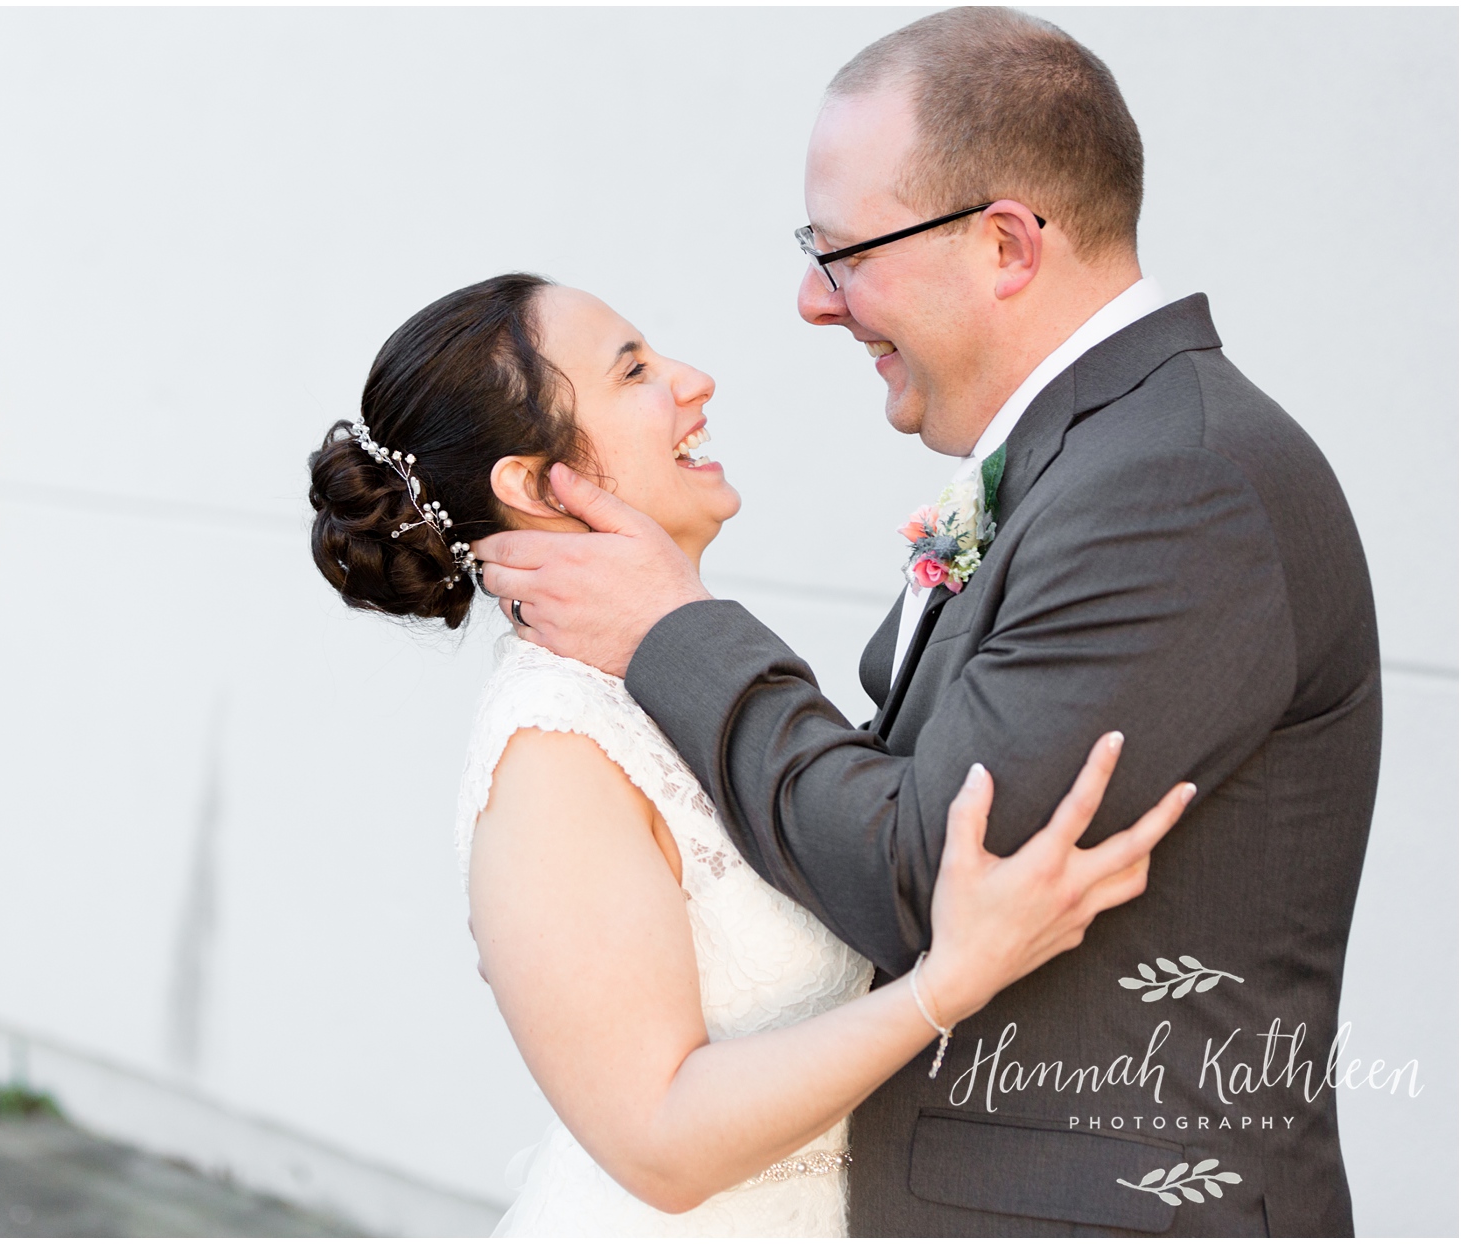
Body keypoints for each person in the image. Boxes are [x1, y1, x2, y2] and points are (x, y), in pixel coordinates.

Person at [472, 9, 1379, 1237]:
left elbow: (922, 870)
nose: (811, 300)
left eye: (841, 252)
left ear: (1005, 244)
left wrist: (675, 629)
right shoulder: (1101, 460)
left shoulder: (1178, 485)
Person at [308, 272, 1193, 1235]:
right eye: (634, 369)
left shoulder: (669, 677)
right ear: (530, 484)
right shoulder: (553, 745)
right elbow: (659, 1141)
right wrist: (948, 985)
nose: (695, 381)